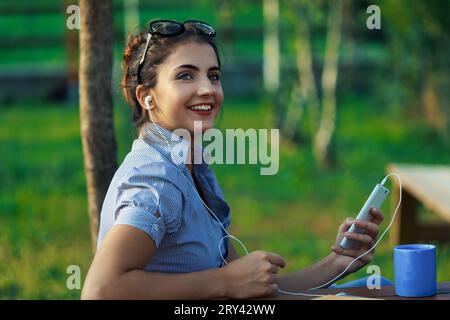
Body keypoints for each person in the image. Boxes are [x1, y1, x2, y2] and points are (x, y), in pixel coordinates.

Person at [81, 19, 388, 300]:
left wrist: (338, 263)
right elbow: (101, 290)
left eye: (213, 76)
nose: (207, 89)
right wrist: (224, 281)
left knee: (375, 289)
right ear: (146, 96)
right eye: (185, 75)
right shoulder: (155, 177)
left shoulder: (192, 170)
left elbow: (251, 296)